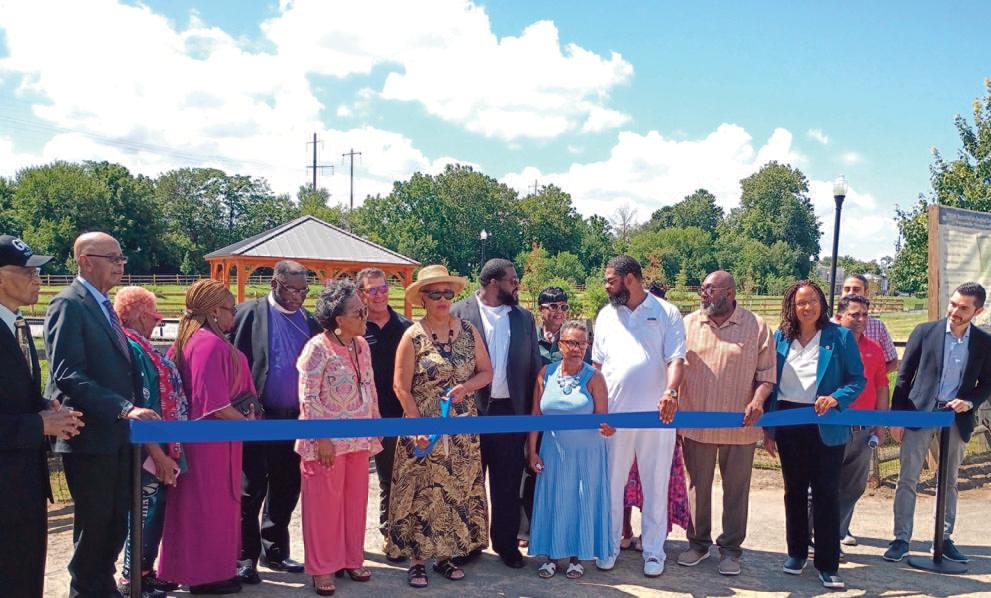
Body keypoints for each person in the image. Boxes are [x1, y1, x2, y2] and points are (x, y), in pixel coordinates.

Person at [44, 231, 160, 598]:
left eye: (122, 258)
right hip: (90, 437)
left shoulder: (103, 305)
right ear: (84, 260)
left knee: (115, 525)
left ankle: (101, 587)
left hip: (119, 437)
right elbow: (67, 373)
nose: (120, 265)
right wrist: (124, 408)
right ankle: (86, 590)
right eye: (112, 258)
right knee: (95, 526)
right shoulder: (69, 304)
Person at [390, 265, 494, 588]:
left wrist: (467, 387)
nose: (443, 299)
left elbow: (486, 372)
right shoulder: (412, 336)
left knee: (455, 492)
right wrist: (417, 425)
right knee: (422, 494)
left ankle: (446, 556)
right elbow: (400, 387)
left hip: (462, 431)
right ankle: (417, 560)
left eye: (448, 293)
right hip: (424, 431)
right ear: (423, 298)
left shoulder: (467, 331)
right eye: (435, 293)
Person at [763, 280, 865, 591]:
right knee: (793, 492)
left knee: (826, 494)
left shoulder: (840, 336)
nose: (807, 307)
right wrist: (770, 429)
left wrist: (836, 398)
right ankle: (796, 553)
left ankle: (828, 564)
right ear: (791, 308)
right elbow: (770, 385)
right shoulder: (781, 337)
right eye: (800, 303)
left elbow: (856, 380)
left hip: (826, 425)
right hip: (790, 424)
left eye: (812, 301)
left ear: (822, 303)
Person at [675, 270, 776, 576]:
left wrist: (758, 400)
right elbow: (674, 366)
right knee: (697, 486)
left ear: (730, 293)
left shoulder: (756, 326)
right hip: (696, 425)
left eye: (709, 290)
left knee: (736, 491)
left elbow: (767, 375)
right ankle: (698, 544)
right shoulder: (688, 324)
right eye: (702, 289)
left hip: (740, 427)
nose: (703, 294)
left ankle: (731, 550)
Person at [591, 255, 686, 578]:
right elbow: (599, 369)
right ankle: (609, 546)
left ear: (630, 278)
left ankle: (654, 551)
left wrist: (670, 392)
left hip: (657, 417)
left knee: (655, 483)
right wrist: (597, 410)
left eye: (610, 280)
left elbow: (676, 359)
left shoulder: (666, 312)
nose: (606, 286)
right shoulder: (605, 315)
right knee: (611, 485)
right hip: (613, 418)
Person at [159, 279, 255, 595]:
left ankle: (205, 570)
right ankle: (205, 575)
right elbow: (214, 402)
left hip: (206, 440)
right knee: (208, 508)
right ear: (215, 311)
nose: (234, 317)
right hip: (210, 442)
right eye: (231, 309)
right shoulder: (207, 344)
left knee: (199, 508)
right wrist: (247, 423)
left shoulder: (189, 341)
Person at [883, 282, 991, 564]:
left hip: (956, 419)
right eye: (953, 304)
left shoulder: (984, 342)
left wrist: (969, 401)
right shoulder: (925, 332)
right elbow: (904, 378)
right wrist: (898, 418)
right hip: (919, 414)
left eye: (963, 307)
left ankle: (943, 539)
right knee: (907, 478)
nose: (955, 311)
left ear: (977, 311)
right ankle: (901, 539)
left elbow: (987, 384)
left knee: (950, 480)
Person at [0, 235, 83, 598]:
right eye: (28, 271)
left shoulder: (15, 325)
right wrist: (38, 424)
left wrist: (43, 408)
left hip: (24, 487)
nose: (38, 279)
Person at [231, 261, 320, 583]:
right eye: (291, 289)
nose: (298, 296)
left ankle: (276, 551)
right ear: (274, 284)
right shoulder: (248, 314)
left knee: (286, 487)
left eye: (303, 290)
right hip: (256, 418)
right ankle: (245, 557)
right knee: (250, 488)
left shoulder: (310, 322)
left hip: (296, 419)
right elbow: (232, 361)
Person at [451, 258, 541, 569]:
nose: (517, 284)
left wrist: (531, 417)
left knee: (506, 483)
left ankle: (505, 544)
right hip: (470, 410)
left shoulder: (523, 318)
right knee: (467, 481)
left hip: (509, 412)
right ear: (493, 282)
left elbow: (534, 370)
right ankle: (468, 543)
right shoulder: (458, 313)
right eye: (512, 280)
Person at [297, 281, 382, 596]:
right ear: (338, 319)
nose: (364, 316)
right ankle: (321, 569)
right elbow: (308, 397)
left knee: (355, 502)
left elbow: (370, 387)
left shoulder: (362, 345)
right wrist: (320, 438)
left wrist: (375, 427)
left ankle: (351, 558)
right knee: (323, 508)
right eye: (357, 313)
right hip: (325, 444)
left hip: (359, 440)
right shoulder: (315, 349)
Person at [114, 287, 190, 597]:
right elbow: (141, 402)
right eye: (151, 317)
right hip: (147, 449)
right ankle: (132, 578)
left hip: (161, 444)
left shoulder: (143, 347)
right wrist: (158, 455)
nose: (153, 323)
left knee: (154, 510)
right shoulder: (131, 349)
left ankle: (146, 571)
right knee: (142, 512)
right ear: (135, 315)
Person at [527, 320, 615, 581]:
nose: (577, 349)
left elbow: (603, 419)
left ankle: (577, 557)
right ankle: (552, 557)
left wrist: (608, 429)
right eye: (571, 343)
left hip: (587, 455)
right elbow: (535, 416)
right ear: (560, 344)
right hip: (553, 452)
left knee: (581, 502)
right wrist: (532, 451)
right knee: (554, 501)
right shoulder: (546, 374)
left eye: (583, 343)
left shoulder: (595, 378)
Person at [621, 282, 690, 553]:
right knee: (624, 478)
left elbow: (678, 369)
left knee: (658, 479)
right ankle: (624, 530)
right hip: (627, 415)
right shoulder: (626, 330)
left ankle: (654, 537)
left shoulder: (672, 328)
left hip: (661, 416)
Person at [520, 285, 589, 548]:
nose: (559, 311)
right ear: (541, 310)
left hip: (565, 414)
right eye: (553, 306)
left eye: (563, 306)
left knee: (559, 473)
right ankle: (527, 528)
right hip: (533, 410)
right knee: (529, 467)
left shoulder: (574, 339)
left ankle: (561, 525)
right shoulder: (529, 336)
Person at [356, 267, 411, 558]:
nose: (379, 295)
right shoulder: (354, 328)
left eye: (383, 288)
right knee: (354, 481)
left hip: (394, 414)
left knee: (393, 479)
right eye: (372, 289)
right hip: (358, 416)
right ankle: (349, 543)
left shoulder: (405, 327)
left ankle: (392, 534)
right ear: (361, 294)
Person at [828, 294, 889, 548]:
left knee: (853, 487)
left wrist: (881, 423)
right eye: (854, 314)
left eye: (865, 314)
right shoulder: (827, 345)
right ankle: (813, 537)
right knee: (823, 485)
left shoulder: (874, 349)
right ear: (840, 316)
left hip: (863, 432)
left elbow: (882, 388)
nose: (861, 319)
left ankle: (836, 535)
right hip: (831, 428)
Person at [839, 274, 898, 373]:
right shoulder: (829, 326)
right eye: (847, 289)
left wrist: (872, 378)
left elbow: (892, 361)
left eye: (856, 289)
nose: (850, 293)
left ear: (866, 293)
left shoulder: (877, 327)